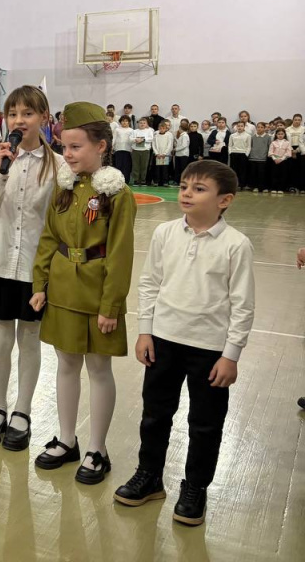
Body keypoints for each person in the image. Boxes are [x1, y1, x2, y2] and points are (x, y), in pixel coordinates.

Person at [115, 161, 254, 527]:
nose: (187, 193)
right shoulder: (164, 233)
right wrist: (145, 331)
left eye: (199, 188)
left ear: (225, 200)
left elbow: (242, 305)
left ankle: (195, 487)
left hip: (210, 350)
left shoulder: (236, 244)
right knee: (155, 414)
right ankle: (149, 476)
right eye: (184, 186)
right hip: (163, 341)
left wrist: (231, 355)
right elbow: (150, 283)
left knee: (205, 423)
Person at [30, 102, 135, 485]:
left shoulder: (117, 194)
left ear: (101, 146)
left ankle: (97, 449)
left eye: (76, 147)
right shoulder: (64, 186)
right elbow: (48, 238)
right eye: (64, 147)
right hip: (62, 288)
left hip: (97, 294)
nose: (68, 154)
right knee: (66, 364)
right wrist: (39, 284)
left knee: (99, 369)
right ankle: (67, 439)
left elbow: (120, 254)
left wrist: (111, 306)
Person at [0, 86, 63, 450]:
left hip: (34, 267)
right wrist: (0, 171)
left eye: (27, 113)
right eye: (13, 114)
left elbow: (58, 221)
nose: (19, 120)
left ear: (43, 118)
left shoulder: (58, 166)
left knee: (29, 338)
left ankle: (22, 411)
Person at [247, 121, 271, 193]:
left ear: (264, 128)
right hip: (253, 158)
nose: (260, 129)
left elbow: (269, 147)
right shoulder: (253, 137)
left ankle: (263, 187)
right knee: (254, 173)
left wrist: (267, 156)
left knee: (262, 174)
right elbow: (250, 146)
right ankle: (255, 187)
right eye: (258, 127)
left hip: (263, 158)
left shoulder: (268, 137)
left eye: (261, 127)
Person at [227, 121, 252, 190]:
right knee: (234, 170)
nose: (240, 127)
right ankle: (234, 184)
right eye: (238, 126)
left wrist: (246, 154)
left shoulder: (248, 136)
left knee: (242, 170)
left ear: (244, 127)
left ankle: (242, 185)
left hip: (243, 154)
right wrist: (230, 152)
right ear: (236, 127)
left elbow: (249, 146)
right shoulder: (232, 135)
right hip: (234, 153)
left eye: (241, 126)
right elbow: (230, 145)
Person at [268, 128, 292, 194]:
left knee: (283, 175)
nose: (280, 135)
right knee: (274, 174)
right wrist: (275, 159)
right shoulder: (273, 142)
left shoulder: (287, 143)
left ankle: (281, 188)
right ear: (276, 135)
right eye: (279, 134)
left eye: (282, 134)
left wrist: (281, 159)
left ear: (284, 135)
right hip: (275, 160)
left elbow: (288, 152)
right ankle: (274, 188)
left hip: (283, 161)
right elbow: (270, 152)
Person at [131, 117, 153, 187]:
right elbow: (130, 139)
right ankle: (136, 180)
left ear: (146, 124)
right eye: (141, 123)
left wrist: (143, 139)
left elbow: (151, 138)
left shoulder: (149, 131)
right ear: (138, 124)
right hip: (136, 150)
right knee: (136, 166)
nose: (142, 124)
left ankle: (143, 180)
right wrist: (136, 139)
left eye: (144, 123)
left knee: (144, 166)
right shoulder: (135, 131)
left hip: (145, 150)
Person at [152, 120, 174, 188]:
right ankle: (156, 181)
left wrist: (165, 153)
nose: (162, 129)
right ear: (158, 128)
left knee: (165, 169)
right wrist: (157, 153)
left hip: (165, 155)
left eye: (163, 128)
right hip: (158, 155)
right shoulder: (156, 136)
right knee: (157, 169)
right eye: (160, 128)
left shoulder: (168, 136)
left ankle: (165, 182)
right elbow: (154, 145)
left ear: (166, 129)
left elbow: (169, 145)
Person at [113, 115, 134, 185]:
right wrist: (112, 146)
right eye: (123, 121)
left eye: (126, 121)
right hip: (118, 149)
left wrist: (133, 148)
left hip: (127, 150)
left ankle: (126, 181)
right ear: (120, 122)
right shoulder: (117, 129)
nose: (124, 122)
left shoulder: (131, 130)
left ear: (129, 122)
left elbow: (132, 140)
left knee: (126, 166)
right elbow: (114, 138)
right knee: (118, 166)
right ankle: (118, 181)